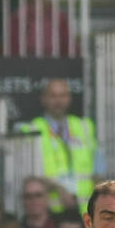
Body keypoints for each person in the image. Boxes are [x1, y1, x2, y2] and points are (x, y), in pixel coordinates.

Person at [16, 79, 103, 213]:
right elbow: (28, 173)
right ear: (43, 99)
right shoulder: (32, 129)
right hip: (50, 211)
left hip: (85, 211)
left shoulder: (84, 127)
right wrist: (58, 188)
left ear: (69, 98)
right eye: (53, 96)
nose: (58, 101)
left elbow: (98, 170)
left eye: (63, 95)